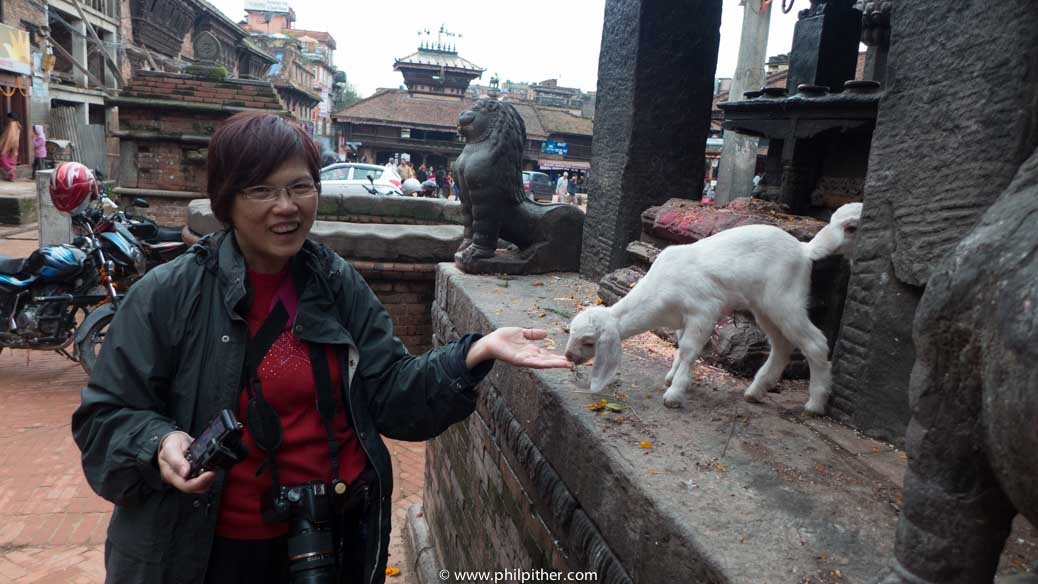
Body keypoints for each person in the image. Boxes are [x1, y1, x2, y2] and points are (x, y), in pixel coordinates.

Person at [71, 112, 572, 584]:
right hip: (206, 548)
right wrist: (157, 442)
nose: (285, 206)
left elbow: (390, 396)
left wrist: (470, 354)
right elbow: (105, 418)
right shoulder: (167, 296)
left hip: (327, 541)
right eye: (260, 190)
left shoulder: (336, 284)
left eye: (299, 186)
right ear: (226, 201)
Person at [1, 112, 21, 181]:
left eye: (8, 118)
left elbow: (8, 136)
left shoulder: (11, 125)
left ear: (11, 118)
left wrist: (2, 143)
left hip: (8, 145)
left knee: (3, 159)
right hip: (15, 146)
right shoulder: (17, 125)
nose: (8, 119)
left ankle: (10, 169)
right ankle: (11, 177)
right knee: (11, 161)